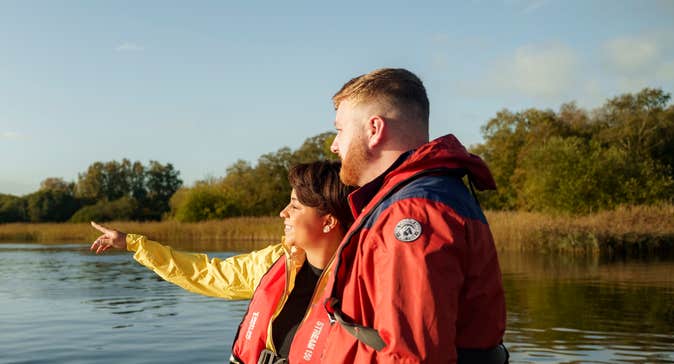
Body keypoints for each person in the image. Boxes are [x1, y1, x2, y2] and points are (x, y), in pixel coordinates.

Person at [320, 68, 508, 363]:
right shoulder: (420, 198)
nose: (334, 145)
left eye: (340, 130)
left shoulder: (413, 213)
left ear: (374, 129)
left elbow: (413, 354)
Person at [90, 161, 355, 364]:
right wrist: (133, 243)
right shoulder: (276, 263)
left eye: (295, 206)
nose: (282, 213)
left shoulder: (357, 285)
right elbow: (206, 273)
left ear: (328, 221)